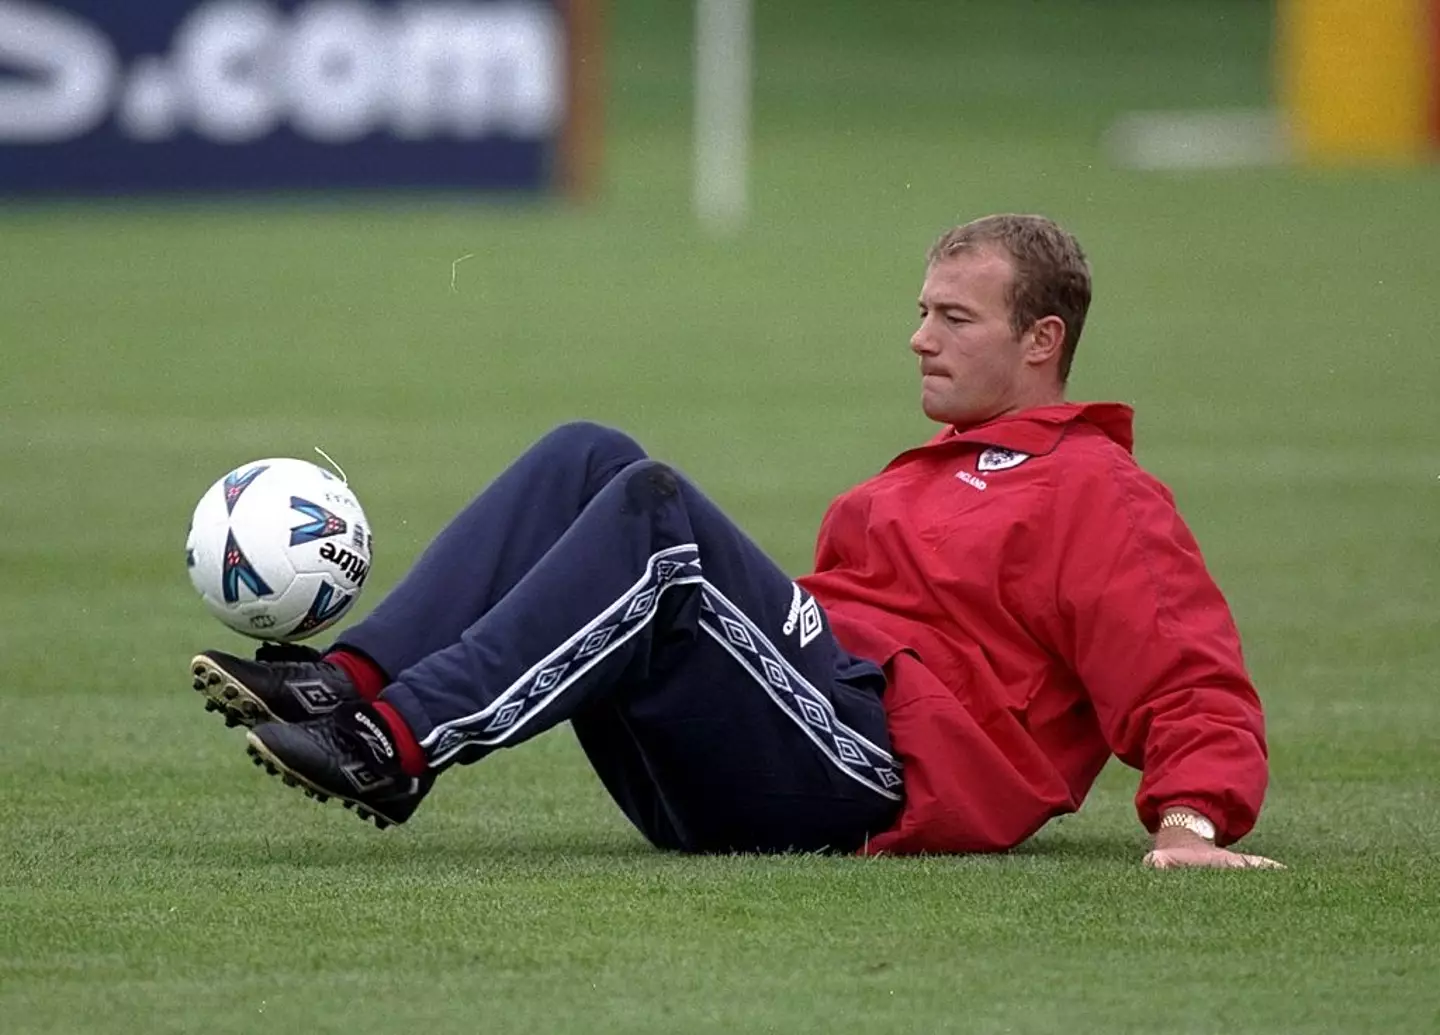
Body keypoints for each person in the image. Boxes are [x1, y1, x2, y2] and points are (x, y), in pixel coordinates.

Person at [190, 214, 1280, 869]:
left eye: (955, 317)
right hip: (784, 742)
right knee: (587, 453)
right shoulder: (926, 475)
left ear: (1044, 341)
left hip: (879, 771)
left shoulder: (1096, 488)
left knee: (654, 510)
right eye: (922, 310)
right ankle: (346, 683)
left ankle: (394, 746)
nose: (918, 337)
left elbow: (1191, 680)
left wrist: (1192, 821)